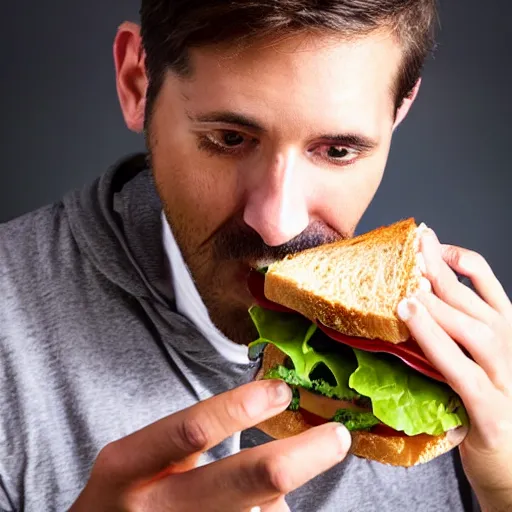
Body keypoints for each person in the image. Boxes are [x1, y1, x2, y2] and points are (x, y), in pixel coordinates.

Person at [0, 1, 511, 510]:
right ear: (138, 83)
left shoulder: (474, 377)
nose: (277, 223)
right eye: (228, 138)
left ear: (399, 110)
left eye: (337, 151)